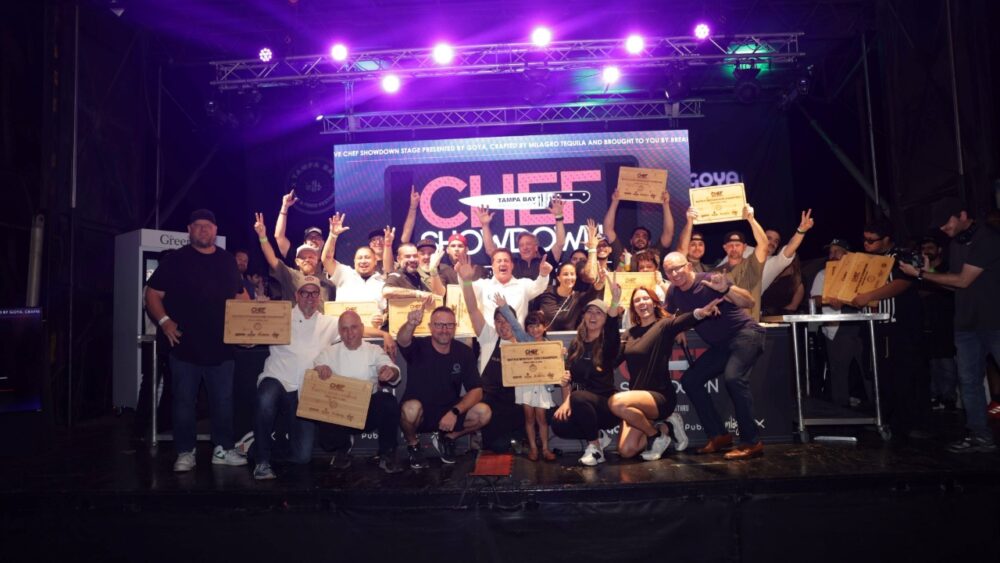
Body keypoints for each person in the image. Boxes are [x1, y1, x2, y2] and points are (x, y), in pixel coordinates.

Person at [144, 209, 249, 472]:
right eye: (198, 226)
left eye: (209, 226)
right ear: (189, 230)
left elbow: (241, 297)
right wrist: (165, 322)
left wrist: (251, 325)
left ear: (216, 230)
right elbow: (152, 294)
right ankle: (185, 452)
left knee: (223, 402)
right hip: (184, 346)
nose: (204, 230)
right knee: (183, 402)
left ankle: (223, 449)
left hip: (222, 347)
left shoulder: (227, 261)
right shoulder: (176, 261)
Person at [900, 198, 999, 453]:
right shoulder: (956, 244)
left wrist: (921, 275)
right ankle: (979, 435)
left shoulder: (986, 238)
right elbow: (952, 284)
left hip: (995, 321)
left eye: (946, 223)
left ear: (963, 215)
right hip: (966, 325)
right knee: (968, 381)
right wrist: (927, 270)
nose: (944, 230)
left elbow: (964, 280)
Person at [662, 252, 766, 460]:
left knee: (734, 378)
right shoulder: (673, 291)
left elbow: (750, 302)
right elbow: (666, 312)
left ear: (689, 266)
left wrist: (726, 289)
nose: (675, 273)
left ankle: (752, 442)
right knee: (690, 380)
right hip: (722, 345)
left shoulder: (709, 280)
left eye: (678, 268)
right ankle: (719, 436)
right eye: (669, 270)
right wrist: (677, 325)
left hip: (746, 334)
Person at [610, 286, 719, 461]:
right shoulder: (630, 334)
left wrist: (700, 313)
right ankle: (665, 427)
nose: (642, 303)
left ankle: (656, 436)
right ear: (633, 307)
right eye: (637, 300)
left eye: (645, 298)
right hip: (636, 401)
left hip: (660, 397)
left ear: (654, 303)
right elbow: (613, 362)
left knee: (616, 403)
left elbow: (682, 321)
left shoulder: (664, 326)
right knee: (626, 450)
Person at [251, 276, 339, 480]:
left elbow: (354, 329)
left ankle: (256, 448)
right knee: (265, 399)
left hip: (305, 390)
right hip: (278, 378)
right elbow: (248, 339)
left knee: (302, 457)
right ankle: (262, 462)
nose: (310, 297)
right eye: (305, 292)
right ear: (297, 296)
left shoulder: (330, 322)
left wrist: (385, 335)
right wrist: (259, 312)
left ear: (319, 296)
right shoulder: (279, 316)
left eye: (314, 293)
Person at [852, 219, 926, 441]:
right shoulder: (868, 260)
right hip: (876, 325)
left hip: (899, 326)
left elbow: (903, 283)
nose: (867, 244)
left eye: (872, 241)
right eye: (865, 240)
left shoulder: (900, 256)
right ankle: (884, 419)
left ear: (886, 239)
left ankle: (906, 423)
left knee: (902, 374)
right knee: (881, 374)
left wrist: (870, 296)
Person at [396, 304, 491, 468]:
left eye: (449, 325)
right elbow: (402, 340)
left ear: (455, 327)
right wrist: (410, 324)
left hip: (449, 413)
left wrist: (455, 412)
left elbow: (476, 391)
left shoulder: (463, 352)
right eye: (439, 324)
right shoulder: (418, 347)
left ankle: (448, 438)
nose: (444, 329)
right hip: (421, 413)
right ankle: (413, 444)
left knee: (484, 413)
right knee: (410, 409)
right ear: (430, 327)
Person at [457, 256, 534, 452]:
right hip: (489, 400)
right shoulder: (489, 337)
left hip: (515, 404)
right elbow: (473, 309)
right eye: (498, 321)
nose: (503, 325)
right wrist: (466, 281)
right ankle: (469, 434)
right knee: (496, 444)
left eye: (507, 320)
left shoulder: (524, 344)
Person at [312, 311, 404, 473]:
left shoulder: (373, 350)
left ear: (362, 328)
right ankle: (343, 447)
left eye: (354, 327)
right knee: (327, 440)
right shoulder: (329, 352)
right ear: (339, 331)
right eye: (344, 329)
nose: (349, 333)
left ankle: (387, 453)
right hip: (339, 413)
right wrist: (320, 370)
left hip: (367, 412)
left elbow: (392, 370)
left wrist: (389, 371)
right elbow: (315, 372)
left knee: (387, 401)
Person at [551, 284, 623, 466]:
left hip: (606, 406)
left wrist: (614, 302)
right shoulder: (577, 344)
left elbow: (614, 331)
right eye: (590, 311)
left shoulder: (608, 343)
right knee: (558, 423)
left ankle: (595, 448)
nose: (593, 316)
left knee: (579, 398)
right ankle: (597, 434)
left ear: (605, 318)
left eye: (599, 313)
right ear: (583, 316)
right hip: (581, 403)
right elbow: (569, 378)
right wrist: (566, 400)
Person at [809, 238, 867, 408]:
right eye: (830, 252)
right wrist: (830, 299)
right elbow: (815, 299)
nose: (832, 255)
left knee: (868, 369)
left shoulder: (858, 272)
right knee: (838, 371)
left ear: (846, 254)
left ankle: (877, 411)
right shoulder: (823, 274)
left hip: (861, 323)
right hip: (838, 326)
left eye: (836, 251)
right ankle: (841, 411)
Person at [534, 220, 603, 331]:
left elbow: (591, 278)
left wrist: (592, 248)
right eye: (566, 274)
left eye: (572, 274)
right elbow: (534, 311)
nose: (570, 277)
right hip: (546, 339)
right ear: (558, 277)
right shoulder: (545, 293)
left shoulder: (578, 296)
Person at [476, 195, 566, 278]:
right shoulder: (512, 264)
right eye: (521, 245)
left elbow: (560, 243)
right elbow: (490, 250)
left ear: (536, 247)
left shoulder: (547, 261)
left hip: (545, 295)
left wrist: (559, 217)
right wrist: (485, 225)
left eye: (528, 244)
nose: (525, 247)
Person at [254, 213, 335, 302]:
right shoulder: (290, 275)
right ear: (296, 261)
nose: (307, 259)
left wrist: (333, 235)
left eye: (311, 257)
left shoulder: (328, 274)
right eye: (303, 257)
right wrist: (262, 236)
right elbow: (272, 258)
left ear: (317, 260)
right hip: (293, 315)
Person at [515, 309, 557, 462]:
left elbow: (556, 368)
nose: (534, 329)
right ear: (526, 329)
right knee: (529, 418)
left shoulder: (552, 346)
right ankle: (533, 448)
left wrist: (562, 355)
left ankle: (545, 449)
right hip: (525, 385)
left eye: (538, 325)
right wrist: (504, 306)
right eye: (530, 326)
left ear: (545, 327)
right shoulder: (524, 340)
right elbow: (514, 325)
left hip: (542, 386)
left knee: (542, 418)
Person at [472, 248, 551, 324]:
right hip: (489, 337)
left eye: (506, 261)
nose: (503, 263)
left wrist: (543, 275)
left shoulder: (523, 285)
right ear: (492, 266)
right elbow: (465, 288)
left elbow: (539, 286)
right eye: (499, 261)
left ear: (512, 265)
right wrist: (464, 279)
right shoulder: (483, 285)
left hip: (517, 337)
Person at [602, 188, 674, 268]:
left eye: (644, 236)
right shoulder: (623, 254)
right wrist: (615, 201)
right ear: (631, 241)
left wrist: (665, 204)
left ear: (649, 242)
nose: (640, 238)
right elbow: (608, 230)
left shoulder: (655, 254)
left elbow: (668, 233)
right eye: (637, 236)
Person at [273, 188, 325, 262]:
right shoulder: (296, 256)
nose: (314, 239)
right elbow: (279, 236)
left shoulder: (329, 262)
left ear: (323, 243)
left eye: (318, 237)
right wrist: (284, 207)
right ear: (304, 243)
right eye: (310, 237)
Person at [676, 209, 710, 273]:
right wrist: (690, 221)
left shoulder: (707, 269)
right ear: (687, 246)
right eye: (693, 245)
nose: (697, 248)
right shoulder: (681, 264)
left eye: (700, 244)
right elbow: (682, 248)